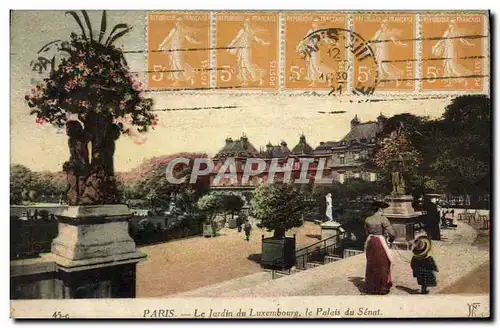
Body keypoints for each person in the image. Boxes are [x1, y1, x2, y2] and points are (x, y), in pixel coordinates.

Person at [364, 200, 396, 295]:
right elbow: (392, 233)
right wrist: (391, 239)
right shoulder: (383, 218)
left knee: (372, 263)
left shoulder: (367, 219)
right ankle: (382, 287)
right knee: (383, 263)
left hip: (370, 242)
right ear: (380, 209)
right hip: (380, 242)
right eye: (383, 209)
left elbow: (366, 233)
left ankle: (371, 286)